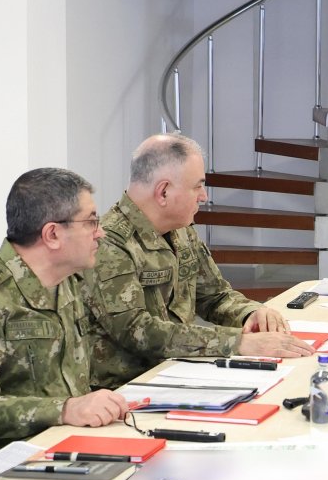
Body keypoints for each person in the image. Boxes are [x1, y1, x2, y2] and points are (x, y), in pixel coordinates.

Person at [0, 168, 132, 459]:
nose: (101, 233)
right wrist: (67, 409)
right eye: (92, 222)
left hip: (62, 445)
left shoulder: (67, 283)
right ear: (52, 234)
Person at [86, 134, 312, 388]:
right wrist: (237, 342)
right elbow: (138, 331)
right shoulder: (110, 243)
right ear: (163, 192)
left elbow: (215, 296)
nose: (203, 196)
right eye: (197, 186)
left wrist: (251, 313)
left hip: (178, 371)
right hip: (125, 389)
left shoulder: (180, 229)